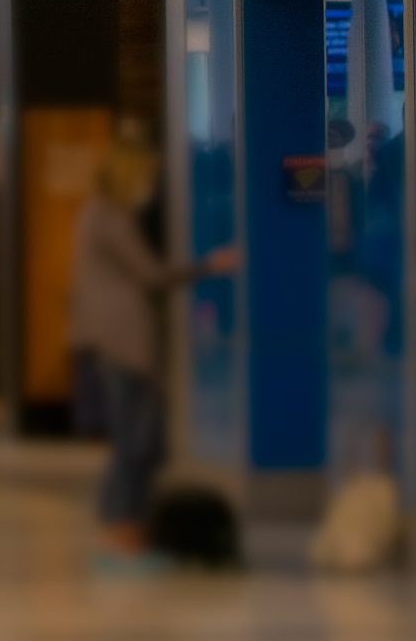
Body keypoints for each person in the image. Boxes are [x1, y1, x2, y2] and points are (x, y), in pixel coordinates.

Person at [67, 139, 238, 571]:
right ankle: (122, 531)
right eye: (146, 176)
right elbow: (153, 274)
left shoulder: (92, 214)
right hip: (125, 342)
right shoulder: (114, 218)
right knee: (136, 442)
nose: (151, 184)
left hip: (108, 340)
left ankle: (122, 529)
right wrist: (208, 265)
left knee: (137, 440)